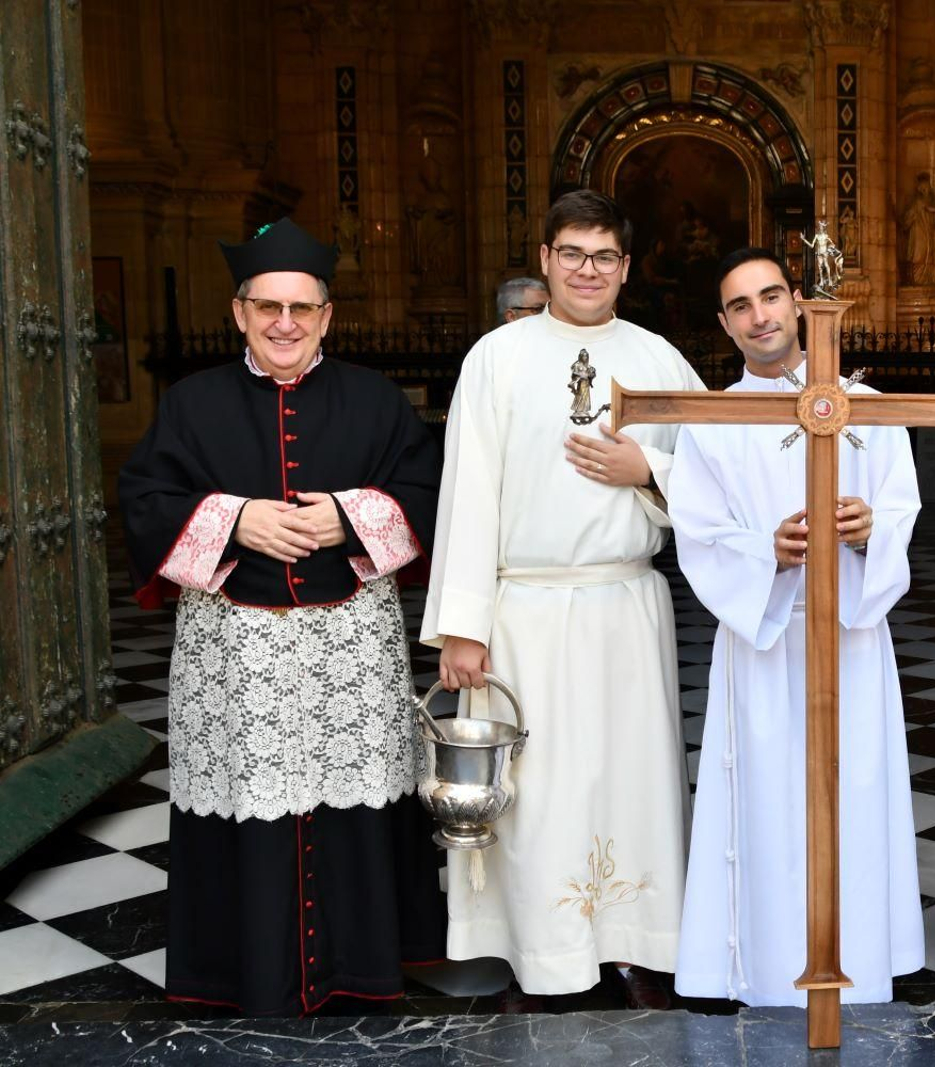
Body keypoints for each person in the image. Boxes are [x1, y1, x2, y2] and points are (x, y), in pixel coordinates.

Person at [118, 218, 445, 1015]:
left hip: (348, 645)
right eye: (268, 307)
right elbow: (143, 502)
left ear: (328, 316)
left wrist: (348, 515)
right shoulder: (191, 404)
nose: (285, 324)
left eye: (302, 308)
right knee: (247, 800)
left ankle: (362, 965)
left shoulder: (374, 399)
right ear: (239, 312)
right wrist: (235, 520)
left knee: (356, 802)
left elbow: (430, 492)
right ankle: (249, 972)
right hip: (239, 648)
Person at [421, 189, 703, 1009]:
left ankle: (638, 943)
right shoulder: (497, 358)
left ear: (626, 267)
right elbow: (467, 492)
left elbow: (724, 476)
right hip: (525, 611)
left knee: (632, 777)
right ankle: (541, 950)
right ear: (544, 260)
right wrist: (462, 627)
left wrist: (648, 471)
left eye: (605, 256)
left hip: (625, 603)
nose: (588, 269)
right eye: (572, 253)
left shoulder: (656, 357)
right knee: (540, 790)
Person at [669, 249, 924, 1006]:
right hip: (763, 643)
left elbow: (905, 509)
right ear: (725, 324)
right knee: (766, 800)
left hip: (850, 638)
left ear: (800, 303)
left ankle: (858, 965)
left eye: (771, 295)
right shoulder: (712, 422)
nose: (761, 315)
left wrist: (871, 527)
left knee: (855, 792)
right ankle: (767, 968)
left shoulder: (865, 406)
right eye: (741, 304)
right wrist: (766, 552)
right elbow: (699, 533)